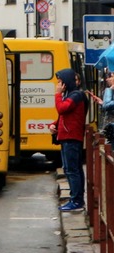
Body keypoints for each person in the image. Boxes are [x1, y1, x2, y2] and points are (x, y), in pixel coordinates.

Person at [52, 68, 87, 212]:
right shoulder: (71, 95)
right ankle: (76, 198)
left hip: (72, 137)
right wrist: (54, 125)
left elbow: (62, 109)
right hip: (67, 136)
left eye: (61, 81)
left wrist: (57, 94)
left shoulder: (76, 95)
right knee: (72, 169)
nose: (59, 84)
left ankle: (76, 200)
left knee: (72, 169)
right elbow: (64, 116)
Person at [101, 72, 114, 142]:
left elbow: (106, 105)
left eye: (111, 76)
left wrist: (110, 89)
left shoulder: (110, 90)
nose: (107, 79)